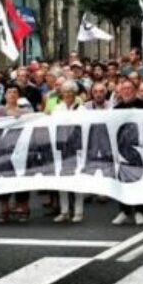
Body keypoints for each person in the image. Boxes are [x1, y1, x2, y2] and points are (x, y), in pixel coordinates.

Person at [112, 79, 143, 226]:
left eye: (129, 88)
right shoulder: (117, 109)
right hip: (123, 150)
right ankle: (124, 211)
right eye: (123, 89)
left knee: (140, 181)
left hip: (142, 148)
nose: (126, 91)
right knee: (123, 181)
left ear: (135, 90)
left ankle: (139, 211)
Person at [0, 86, 32, 223]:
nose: (12, 94)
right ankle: (4, 210)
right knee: (3, 179)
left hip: (20, 149)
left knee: (20, 179)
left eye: (15, 92)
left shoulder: (26, 112)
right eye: (9, 92)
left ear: (19, 96)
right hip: (2, 150)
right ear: (5, 95)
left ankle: (24, 209)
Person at [53, 81, 85, 224]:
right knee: (62, 180)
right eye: (65, 91)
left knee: (78, 179)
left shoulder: (82, 109)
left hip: (77, 147)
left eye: (71, 91)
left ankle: (78, 211)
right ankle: (64, 211)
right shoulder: (57, 108)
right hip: (62, 147)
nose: (68, 94)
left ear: (75, 93)